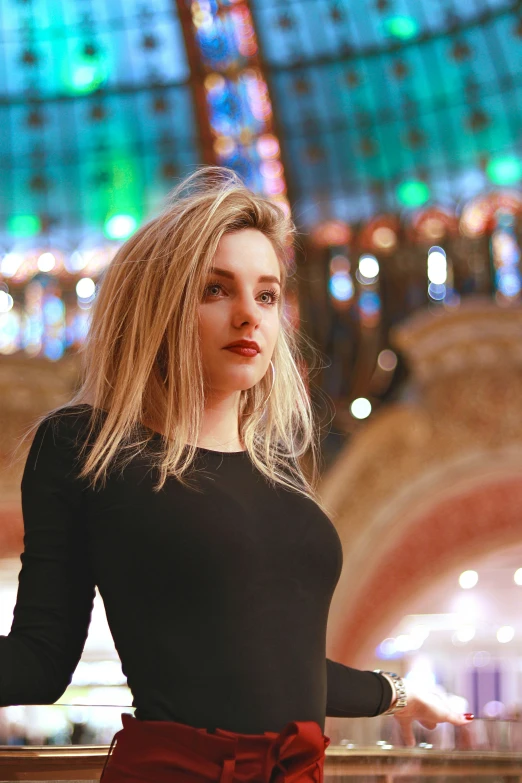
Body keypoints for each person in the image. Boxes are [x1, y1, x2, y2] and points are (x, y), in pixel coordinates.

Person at [3, 167, 472, 782]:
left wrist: (400, 693)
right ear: (160, 304)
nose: (250, 315)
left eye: (268, 294)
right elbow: (41, 657)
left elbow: (281, 664)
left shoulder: (273, 465)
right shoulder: (86, 444)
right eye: (216, 290)